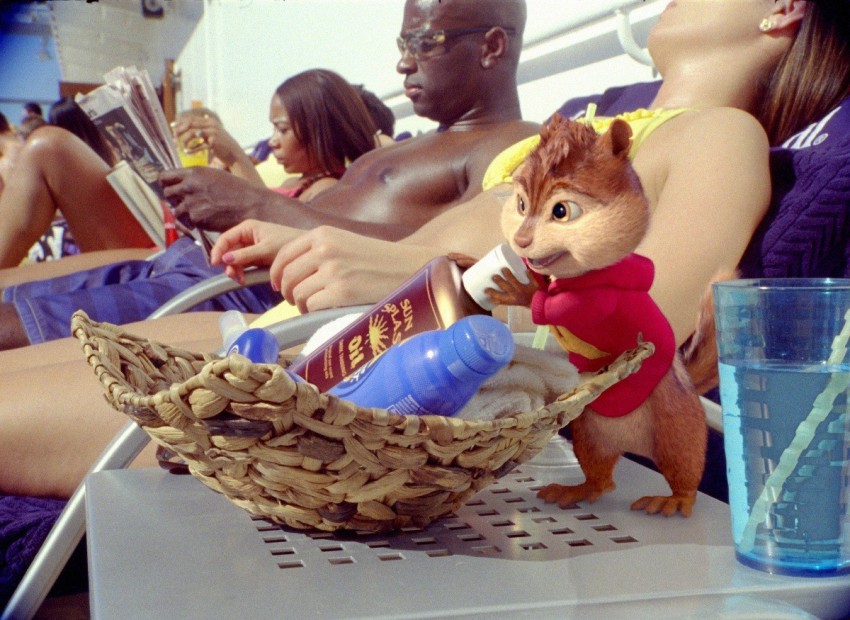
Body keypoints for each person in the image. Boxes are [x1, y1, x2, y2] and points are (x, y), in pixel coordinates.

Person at [0, 0, 535, 351]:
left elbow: (454, 262)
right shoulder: (421, 144)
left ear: (491, 46)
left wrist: (255, 205)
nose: (403, 64)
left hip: (250, 295)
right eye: (404, 46)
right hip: (198, 268)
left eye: (424, 43)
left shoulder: (510, 146)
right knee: (14, 302)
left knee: (16, 329)